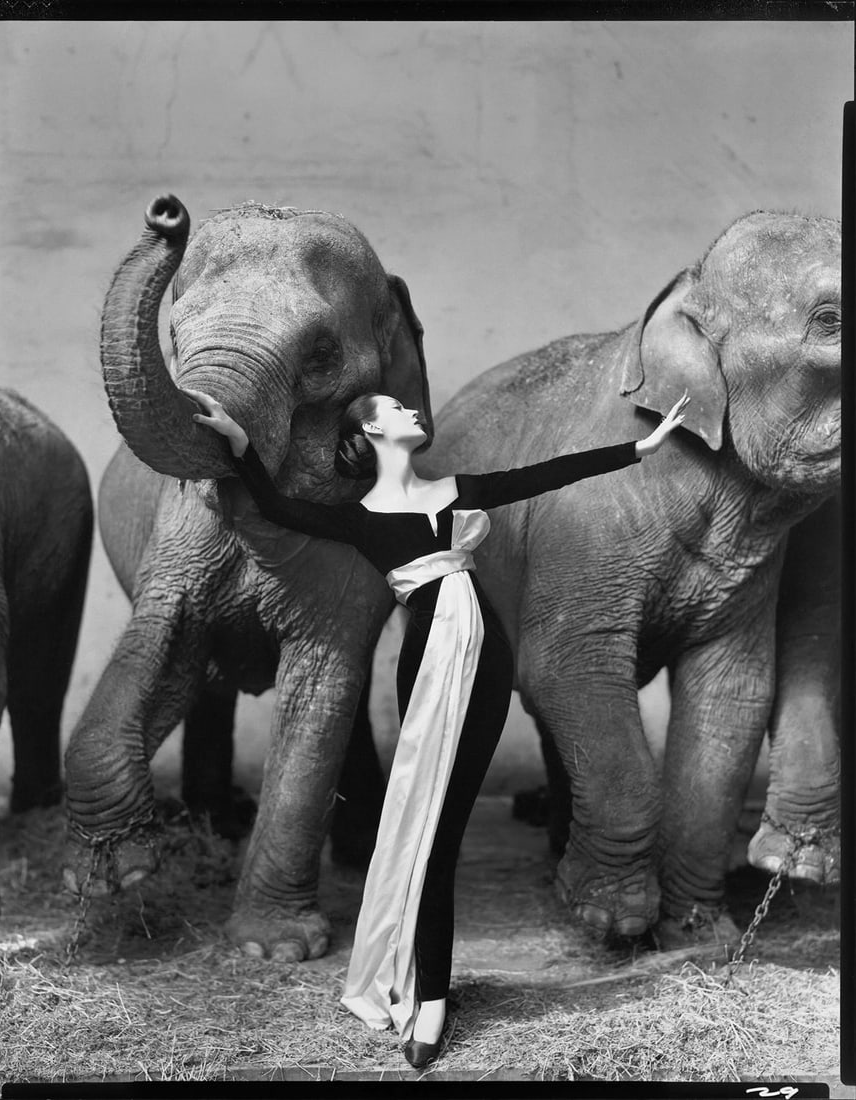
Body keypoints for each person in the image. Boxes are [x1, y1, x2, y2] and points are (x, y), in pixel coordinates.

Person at [185, 386, 689, 1068]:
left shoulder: (457, 489)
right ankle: (429, 1000)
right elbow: (274, 506)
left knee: (444, 829)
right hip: (428, 664)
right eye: (395, 410)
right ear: (370, 433)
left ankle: (431, 995)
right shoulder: (358, 516)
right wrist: (241, 448)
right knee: (431, 840)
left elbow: (546, 475)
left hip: (485, 660)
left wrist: (641, 448)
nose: (413, 413)